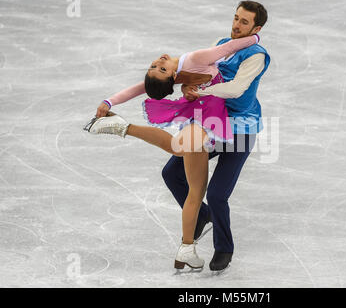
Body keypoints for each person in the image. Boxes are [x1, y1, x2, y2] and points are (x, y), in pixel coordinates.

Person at [84, 33, 261, 270]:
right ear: (171, 78)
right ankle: (124, 127)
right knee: (184, 166)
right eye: (158, 68)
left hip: (206, 118)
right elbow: (140, 88)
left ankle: (187, 248)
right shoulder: (183, 70)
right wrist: (109, 101)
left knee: (196, 190)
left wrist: (254, 38)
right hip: (204, 118)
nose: (160, 61)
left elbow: (229, 49)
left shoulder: (192, 62)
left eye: (158, 66)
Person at [164, 0, 270, 271]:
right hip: (213, 125)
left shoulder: (257, 55)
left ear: (256, 28)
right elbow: (203, 72)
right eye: (236, 18)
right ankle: (203, 215)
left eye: (244, 22)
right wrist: (189, 86)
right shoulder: (222, 44)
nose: (236, 25)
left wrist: (203, 93)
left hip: (241, 131)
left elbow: (236, 88)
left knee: (217, 193)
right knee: (171, 172)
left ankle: (224, 248)